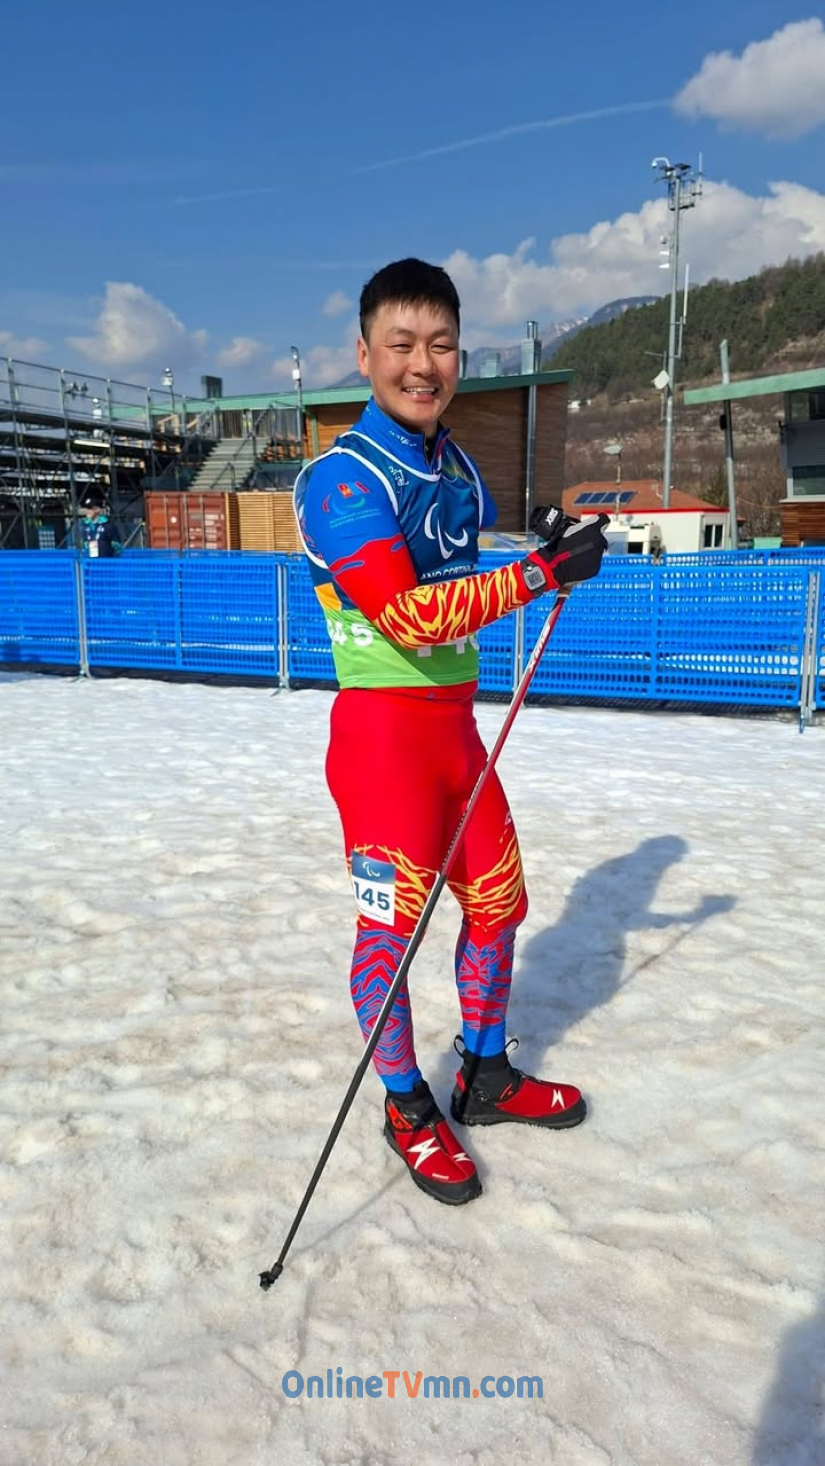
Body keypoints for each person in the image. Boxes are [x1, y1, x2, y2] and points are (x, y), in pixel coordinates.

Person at [294, 258, 607, 1206]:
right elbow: (409, 616)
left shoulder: (457, 467)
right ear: (365, 355)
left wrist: (540, 535)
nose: (421, 364)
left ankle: (483, 1075)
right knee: (389, 941)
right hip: (383, 744)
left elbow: (461, 557)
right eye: (401, 344)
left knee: (498, 905)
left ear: (459, 357)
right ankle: (404, 1104)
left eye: (440, 345)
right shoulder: (338, 480)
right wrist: (541, 575)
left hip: (454, 737)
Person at [77, 486, 121, 558]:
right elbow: (82, 546)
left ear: (98, 510)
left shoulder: (109, 526)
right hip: (89, 563)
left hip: (106, 562)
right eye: (86, 509)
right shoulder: (84, 526)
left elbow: (118, 547)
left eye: (90, 509)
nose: (87, 511)